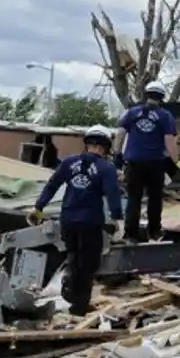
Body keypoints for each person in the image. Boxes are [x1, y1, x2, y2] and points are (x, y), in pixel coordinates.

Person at [29, 125, 123, 317]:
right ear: (105, 146)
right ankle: (79, 306)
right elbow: (113, 195)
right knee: (88, 264)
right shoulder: (106, 168)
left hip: (68, 220)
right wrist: (118, 220)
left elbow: (52, 184)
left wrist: (38, 207)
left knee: (73, 256)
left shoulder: (68, 162)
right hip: (91, 222)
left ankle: (69, 285)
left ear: (87, 143)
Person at [114, 81, 180, 241]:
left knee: (133, 199)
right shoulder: (165, 116)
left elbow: (120, 133)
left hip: (133, 162)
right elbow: (169, 141)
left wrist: (117, 154)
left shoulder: (132, 112)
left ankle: (131, 235)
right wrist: (178, 161)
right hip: (155, 163)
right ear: (162, 97)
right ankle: (154, 232)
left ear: (147, 94)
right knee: (155, 198)